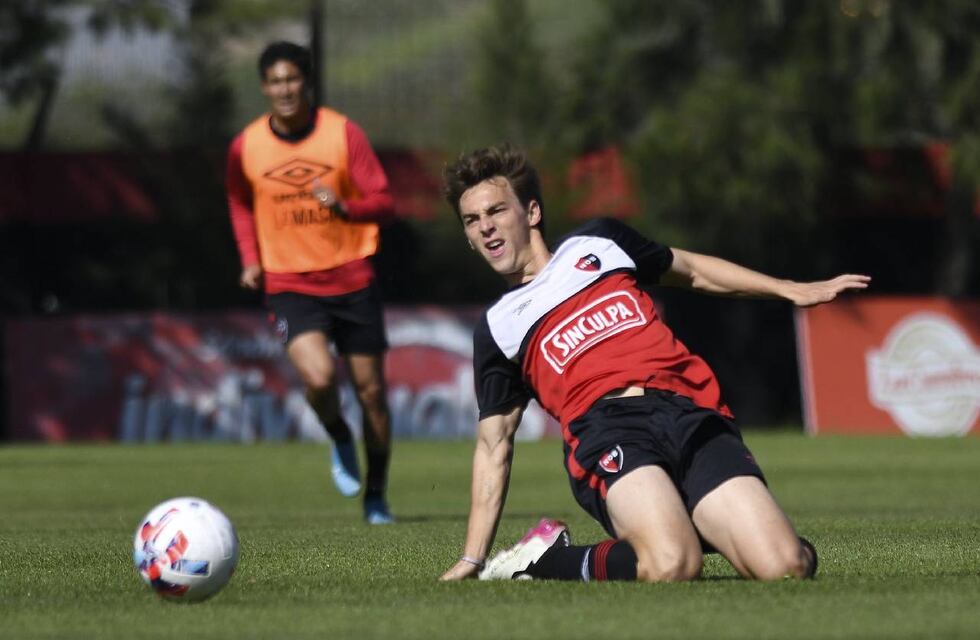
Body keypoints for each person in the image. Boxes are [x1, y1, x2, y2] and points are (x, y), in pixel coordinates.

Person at [439, 145, 870, 582]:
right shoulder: (497, 328)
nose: (486, 227)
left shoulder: (599, 243)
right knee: (672, 564)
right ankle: (545, 560)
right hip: (607, 429)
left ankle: (709, 527)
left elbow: (694, 269)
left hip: (688, 410)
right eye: (472, 221)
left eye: (496, 211)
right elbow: (495, 445)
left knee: (786, 567)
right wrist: (472, 560)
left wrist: (786, 289)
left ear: (531, 212)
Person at [226, 41, 396, 524]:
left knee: (373, 396)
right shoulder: (246, 146)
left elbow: (384, 200)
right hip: (288, 283)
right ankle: (339, 434)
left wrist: (346, 208)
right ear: (264, 87)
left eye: (292, 79)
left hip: (353, 277)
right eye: (275, 81)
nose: (285, 89)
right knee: (319, 378)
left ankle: (377, 496)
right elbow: (239, 201)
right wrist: (249, 258)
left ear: (307, 82)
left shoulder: (343, 134)